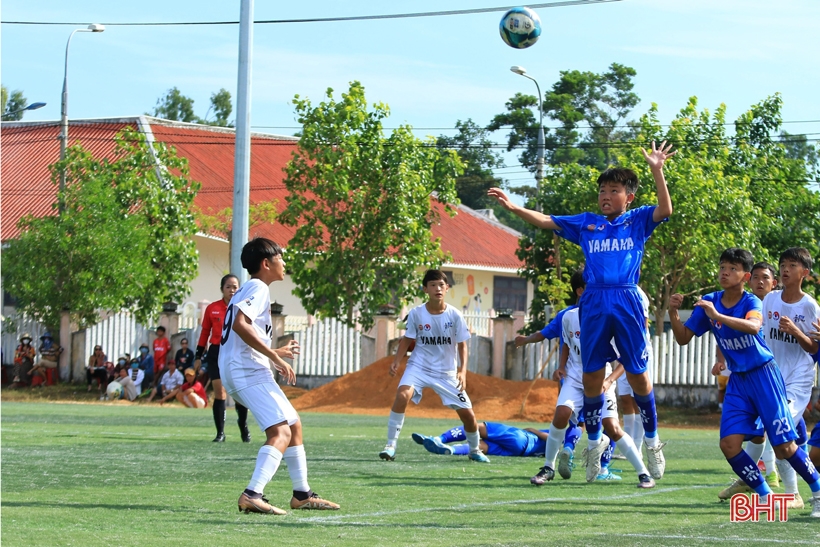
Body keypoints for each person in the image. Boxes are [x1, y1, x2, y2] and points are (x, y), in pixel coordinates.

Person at [488, 141, 675, 481]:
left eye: (613, 190)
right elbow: (545, 220)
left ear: (628, 197)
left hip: (627, 298)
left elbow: (666, 209)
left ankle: (652, 440)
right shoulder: (587, 223)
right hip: (594, 302)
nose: (605, 195)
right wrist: (513, 208)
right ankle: (592, 444)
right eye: (602, 190)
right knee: (591, 377)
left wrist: (657, 170)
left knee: (637, 376)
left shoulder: (638, 220)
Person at [669, 247, 820, 516]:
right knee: (728, 444)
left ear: (744, 276)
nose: (725, 272)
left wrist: (718, 316)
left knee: (784, 445)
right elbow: (682, 338)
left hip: (764, 375)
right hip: (739, 380)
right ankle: (766, 495)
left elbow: (752, 327)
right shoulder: (710, 301)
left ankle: (816, 492)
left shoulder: (752, 301)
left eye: (733, 268)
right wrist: (672, 312)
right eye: (722, 267)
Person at [219, 237, 339, 515]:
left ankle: (302, 494)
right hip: (247, 370)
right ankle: (252, 493)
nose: (284, 263)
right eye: (281, 258)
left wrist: (274, 352)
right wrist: (274, 355)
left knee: (294, 425)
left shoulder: (250, 289)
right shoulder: (258, 286)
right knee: (280, 431)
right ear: (266, 263)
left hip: (244, 369)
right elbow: (239, 325)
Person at [381, 269, 489, 464]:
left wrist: (462, 371)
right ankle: (390, 445)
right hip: (419, 366)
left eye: (441, 285)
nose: (437, 288)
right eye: (432, 285)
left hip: (446, 372)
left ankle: (474, 449)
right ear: (425, 289)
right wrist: (397, 360)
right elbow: (407, 339)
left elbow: (463, 344)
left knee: (468, 415)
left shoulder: (455, 315)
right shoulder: (416, 313)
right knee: (402, 394)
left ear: (447, 288)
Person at [758, 248, 820, 510]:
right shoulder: (770, 300)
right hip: (773, 377)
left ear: (804, 272)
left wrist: (795, 330)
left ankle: (802, 493)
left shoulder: (810, 306)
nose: (785, 269)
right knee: (782, 436)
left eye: (792, 265)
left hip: (799, 378)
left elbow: (814, 349)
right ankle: (793, 492)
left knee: (779, 432)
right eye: (783, 264)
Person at [714, 262, 781, 497]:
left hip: (779, 376)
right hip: (748, 376)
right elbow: (724, 334)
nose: (760, 282)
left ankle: (792, 489)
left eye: (766, 278)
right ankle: (759, 477)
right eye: (756, 277)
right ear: (748, 280)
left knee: (784, 438)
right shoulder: (744, 304)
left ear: (775, 283)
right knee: (757, 432)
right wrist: (720, 360)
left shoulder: (779, 304)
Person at [196, 274, 253, 443]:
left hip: (236, 352)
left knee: (238, 393)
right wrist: (198, 356)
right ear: (222, 289)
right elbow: (205, 332)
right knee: (219, 392)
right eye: (228, 286)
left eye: (235, 287)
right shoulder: (212, 308)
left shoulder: (243, 308)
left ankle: (243, 426)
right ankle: (220, 433)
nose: (232, 290)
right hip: (216, 352)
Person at [412, 423, 550, 457]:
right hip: (520, 452)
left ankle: (438, 438)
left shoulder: (560, 433)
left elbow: (553, 438)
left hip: (522, 438)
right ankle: (452, 449)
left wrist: (533, 430)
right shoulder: (551, 452)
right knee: (482, 446)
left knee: (476, 426)